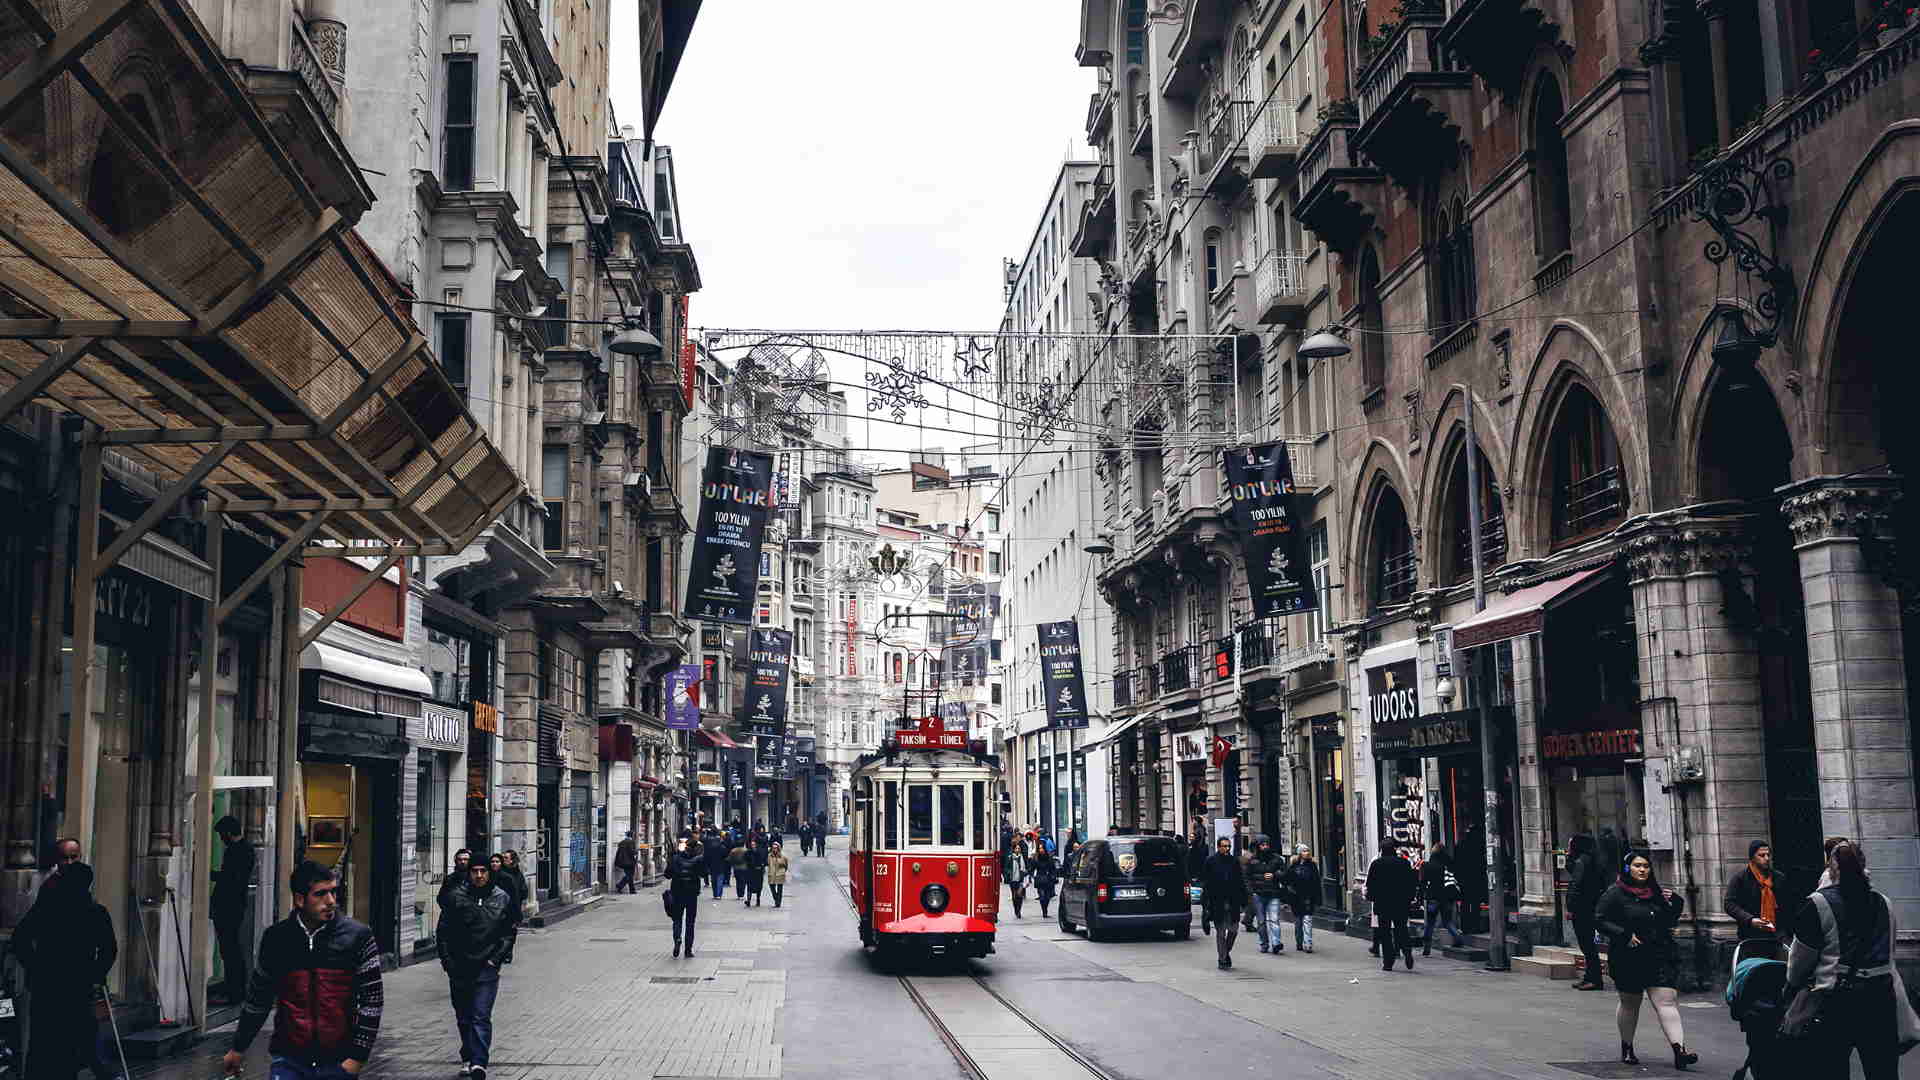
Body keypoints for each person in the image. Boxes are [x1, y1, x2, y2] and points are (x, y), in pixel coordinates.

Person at [224, 861, 383, 1079]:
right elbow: (258, 1000)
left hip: (338, 1062)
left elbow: (372, 1002)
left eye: (333, 892)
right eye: (320, 894)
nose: (330, 901)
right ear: (300, 899)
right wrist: (238, 1048)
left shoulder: (358, 937)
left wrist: (356, 1059)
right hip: (289, 1060)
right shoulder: (277, 939)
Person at [1785, 838, 1908, 1079]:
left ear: (1832, 868)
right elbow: (1889, 952)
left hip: (1837, 1001)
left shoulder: (1818, 903)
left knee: (1832, 1068)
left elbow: (1800, 961)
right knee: (1882, 1070)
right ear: (1864, 866)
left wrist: (1792, 985)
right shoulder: (1884, 903)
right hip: (1880, 998)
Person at [14, 860, 117, 1080]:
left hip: (48, 985)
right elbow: (109, 950)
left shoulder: (47, 909)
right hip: (76, 985)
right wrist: (95, 974)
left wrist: (35, 967)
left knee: (44, 1042)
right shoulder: (95, 912)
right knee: (75, 1040)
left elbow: (20, 939)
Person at [1596, 850, 1694, 1070]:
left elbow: (1669, 920)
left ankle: (1680, 1050)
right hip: (1628, 957)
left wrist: (1675, 902)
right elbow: (1600, 920)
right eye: (1637, 865)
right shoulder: (1615, 894)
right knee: (1630, 1003)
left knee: (1666, 1001)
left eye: (1646, 866)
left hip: (1659, 954)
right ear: (1627, 868)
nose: (1642, 870)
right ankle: (1627, 1047)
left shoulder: (1657, 893)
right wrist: (1624, 934)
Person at [436, 856, 514, 1080]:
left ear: (489, 873)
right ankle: (468, 1055)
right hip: (460, 966)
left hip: (486, 967)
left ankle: (479, 1062)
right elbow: (443, 932)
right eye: (475, 871)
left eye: (483, 871)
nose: (479, 875)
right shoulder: (455, 897)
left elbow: (508, 932)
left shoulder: (501, 898)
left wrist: (495, 959)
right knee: (464, 1016)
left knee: (480, 1015)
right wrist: (447, 961)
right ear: (469, 873)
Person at [211, 815, 256, 1004]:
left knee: (230, 950)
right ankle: (234, 990)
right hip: (233, 906)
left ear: (229, 833)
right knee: (231, 950)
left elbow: (231, 879)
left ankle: (234, 992)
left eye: (222, 835)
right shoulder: (244, 849)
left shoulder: (238, 851)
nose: (221, 839)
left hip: (229, 907)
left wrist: (209, 874)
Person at [1365, 841, 1418, 971]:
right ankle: (1407, 952)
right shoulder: (1404, 863)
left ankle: (1388, 961)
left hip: (1383, 904)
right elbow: (1411, 882)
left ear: (1382, 850)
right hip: (1400, 903)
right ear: (1394, 849)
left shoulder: (1377, 864)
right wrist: (1410, 898)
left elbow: (1371, 884)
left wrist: (1371, 898)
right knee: (1401, 929)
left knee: (1385, 933)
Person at [1565, 834, 1607, 990]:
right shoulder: (1590, 859)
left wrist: (1571, 908)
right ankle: (1590, 977)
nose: (1569, 847)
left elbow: (1576, 886)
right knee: (1588, 945)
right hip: (1589, 907)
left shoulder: (1583, 861)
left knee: (1587, 945)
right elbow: (1572, 871)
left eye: (1571, 844)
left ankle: (1594, 979)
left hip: (1583, 909)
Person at [1200, 837, 1246, 969]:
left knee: (1233, 930)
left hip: (1233, 901)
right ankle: (1222, 959)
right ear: (1218, 847)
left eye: (1228, 846)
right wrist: (1206, 904)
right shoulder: (1211, 861)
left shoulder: (1234, 861)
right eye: (1224, 846)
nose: (1226, 849)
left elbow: (1240, 880)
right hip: (1217, 901)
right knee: (1221, 932)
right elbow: (1206, 883)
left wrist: (1244, 899)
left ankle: (1225, 952)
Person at [1724, 839, 1781, 942]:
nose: (1767, 858)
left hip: (1777, 936)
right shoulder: (1740, 878)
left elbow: (1787, 905)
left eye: (1768, 855)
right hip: (1750, 936)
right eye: (1762, 855)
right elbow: (1729, 904)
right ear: (1752, 858)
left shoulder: (1778, 877)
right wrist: (1750, 919)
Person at [1420, 841, 1465, 957]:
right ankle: (1458, 938)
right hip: (1447, 897)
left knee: (1430, 923)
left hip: (1433, 897)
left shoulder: (1428, 865)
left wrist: (1423, 893)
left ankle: (1426, 948)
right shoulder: (1448, 864)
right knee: (1447, 921)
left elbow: (1423, 882)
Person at [665, 834, 706, 956]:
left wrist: (671, 861)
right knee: (690, 922)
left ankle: (677, 938)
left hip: (677, 891)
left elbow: (667, 874)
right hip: (692, 894)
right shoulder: (698, 859)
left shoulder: (676, 858)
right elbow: (704, 873)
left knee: (677, 919)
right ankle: (688, 949)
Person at [1248, 838, 1288, 954]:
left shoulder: (1277, 859)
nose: (1265, 847)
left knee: (1274, 919)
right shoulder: (1253, 860)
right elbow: (1247, 877)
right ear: (1258, 846)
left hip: (1273, 893)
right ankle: (1264, 943)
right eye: (1262, 845)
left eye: (1267, 844)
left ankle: (1276, 943)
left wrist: (1275, 875)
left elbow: (1284, 874)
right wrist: (1251, 891)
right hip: (1258, 894)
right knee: (1261, 921)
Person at [1288, 846, 1320, 953]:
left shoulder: (1312, 866)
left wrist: (1317, 898)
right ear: (1299, 853)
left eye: (1308, 851)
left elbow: (1316, 882)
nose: (1307, 853)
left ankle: (1308, 943)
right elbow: (1288, 880)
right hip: (1296, 897)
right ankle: (1299, 942)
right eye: (1304, 851)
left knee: (1307, 920)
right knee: (1298, 922)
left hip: (1308, 897)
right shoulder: (1293, 866)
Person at [1030, 847, 1059, 919]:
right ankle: (1044, 911)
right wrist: (1032, 876)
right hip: (1040, 879)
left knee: (1048, 897)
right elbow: (1031, 869)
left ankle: (1045, 908)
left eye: (1042, 848)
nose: (1041, 850)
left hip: (1048, 879)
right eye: (1039, 849)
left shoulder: (1049, 858)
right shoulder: (1036, 859)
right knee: (1042, 896)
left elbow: (1053, 869)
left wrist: (1053, 876)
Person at [1005, 839, 1030, 919]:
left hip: (1020, 879)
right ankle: (1016, 909)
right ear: (1014, 849)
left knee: (1020, 895)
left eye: (1019, 849)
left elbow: (1026, 867)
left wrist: (1026, 874)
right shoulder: (1010, 857)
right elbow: (1006, 868)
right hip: (1012, 880)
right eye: (1016, 848)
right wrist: (1008, 874)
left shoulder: (1022, 858)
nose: (1018, 850)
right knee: (1014, 896)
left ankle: (1019, 910)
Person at [704, 830, 732, 899]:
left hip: (713, 866)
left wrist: (708, 865)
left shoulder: (711, 848)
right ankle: (719, 894)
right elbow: (726, 856)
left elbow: (707, 857)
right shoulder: (723, 848)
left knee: (714, 881)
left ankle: (715, 894)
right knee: (720, 881)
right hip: (721, 866)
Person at [744, 832, 769, 907]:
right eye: (752, 845)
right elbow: (745, 860)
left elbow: (763, 861)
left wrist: (762, 866)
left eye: (754, 845)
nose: (753, 846)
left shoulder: (760, 852)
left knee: (758, 887)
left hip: (758, 872)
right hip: (750, 872)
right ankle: (748, 900)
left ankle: (758, 899)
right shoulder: (748, 852)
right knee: (749, 886)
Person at [766, 841, 791, 908]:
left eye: (776, 848)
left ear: (778, 848)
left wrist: (783, 871)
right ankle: (776, 899)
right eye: (773, 848)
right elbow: (767, 863)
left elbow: (786, 865)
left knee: (780, 889)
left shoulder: (783, 856)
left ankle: (778, 903)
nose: (774, 849)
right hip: (771, 873)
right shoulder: (769, 856)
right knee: (772, 888)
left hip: (780, 874)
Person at [728, 836, 751, 901]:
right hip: (744, 867)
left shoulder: (733, 850)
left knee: (738, 881)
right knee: (743, 881)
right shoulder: (746, 850)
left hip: (736, 868)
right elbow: (749, 859)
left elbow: (730, 859)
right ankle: (742, 894)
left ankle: (739, 894)